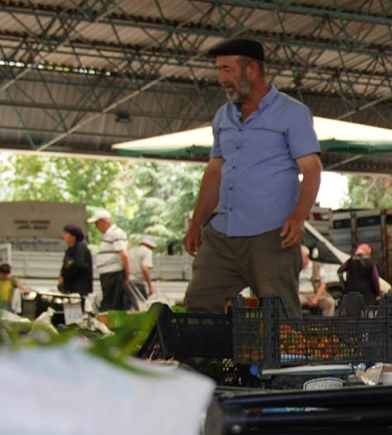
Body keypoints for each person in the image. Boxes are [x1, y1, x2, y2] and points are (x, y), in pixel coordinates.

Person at [182, 38, 320, 315]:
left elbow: (312, 169)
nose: (221, 79)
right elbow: (214, 172)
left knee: (279, 316)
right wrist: (196, 222)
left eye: (227, 70)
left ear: (252, 70)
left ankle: (281, 345)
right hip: (223, 233)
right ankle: (209, 347)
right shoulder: (223, 117)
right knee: (198, 304)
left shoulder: (292, 113)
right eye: (219, 70)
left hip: (272, 235)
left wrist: (298, 216)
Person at [88, 208, 132, 312]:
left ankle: (107, 320)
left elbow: (124, 254)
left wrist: (127, 273)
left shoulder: (116, 233)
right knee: (109, 301)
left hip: (113, 273)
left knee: (110, 304)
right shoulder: (108, 235)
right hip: (108, 273)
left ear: (104, 222)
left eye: (97, 224)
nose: (96, 227)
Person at [58, 224, 94, 299]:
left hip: (79, 287)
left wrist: (65, 276)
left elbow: (80, 265)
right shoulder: (70, 250)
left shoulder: (80, 247)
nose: (63, 236)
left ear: (73, 236)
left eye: (66, 234)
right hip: (70, 288)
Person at [298, 246, 335, 317]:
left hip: (314, 293)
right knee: (294, 302)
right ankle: (296, 323)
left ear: (307, 256)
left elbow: (322, 284)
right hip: (300, 294)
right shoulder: (295, 267)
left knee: (330, 302)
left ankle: (327, 323)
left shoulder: (318, 266)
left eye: (301, 257)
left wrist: (316, 299)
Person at [131, 234, 156, 301]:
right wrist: (150, 286)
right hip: (138, 283)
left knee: (128, 306)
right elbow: (145, 269)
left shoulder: (131, 251)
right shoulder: (147, 251)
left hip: (127, 284)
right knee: (141, 305)